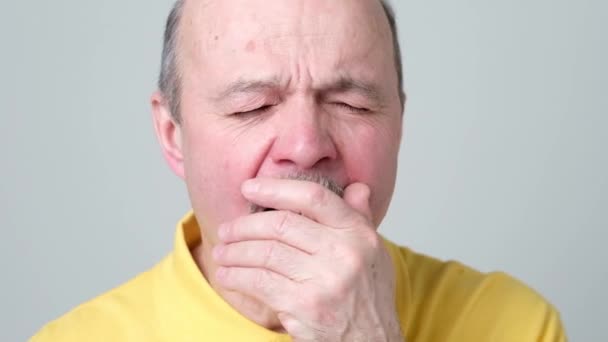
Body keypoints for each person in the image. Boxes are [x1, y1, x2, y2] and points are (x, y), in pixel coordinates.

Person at [31, 0, 566, 341]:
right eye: (253, 107)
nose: (306, 147)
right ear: (173, 135)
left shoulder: (512, 323)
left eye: (352, 104)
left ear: (399, 121)